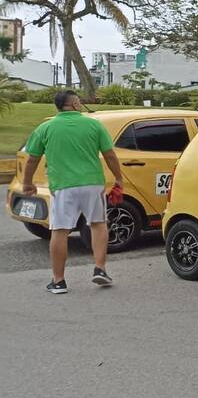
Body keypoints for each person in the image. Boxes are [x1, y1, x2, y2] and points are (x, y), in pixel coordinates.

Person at [21, 90, 124, 293]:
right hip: (92, 184)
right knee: (98, 224)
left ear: (58, 106)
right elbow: (110, 155)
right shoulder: (94, 125)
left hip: (62, 187)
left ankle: (58, 281)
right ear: (76, 104)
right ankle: (100, 269)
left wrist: (27, 183)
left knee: (60, 231)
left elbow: (32, 158)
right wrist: (118, 178)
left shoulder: (46, 127)